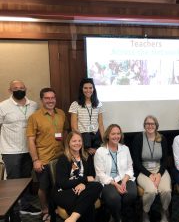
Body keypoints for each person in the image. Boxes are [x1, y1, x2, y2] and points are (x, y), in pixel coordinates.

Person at [27, 87, 69, 222]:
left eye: (53, 98)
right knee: (44, 187)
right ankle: (45, 210)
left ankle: (57, 208)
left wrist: (68, 151)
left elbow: (65, 132)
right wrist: (35, 160)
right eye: (47, 98)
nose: (50, 101)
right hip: (44, 159)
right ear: (42, 100)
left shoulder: (61, 113)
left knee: (60, 185)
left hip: (61, 156)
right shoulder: (34, 117)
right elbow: (31, 140)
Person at [0, 80, 40, 221]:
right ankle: (13, 211)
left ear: (26, 89)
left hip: (28, 150)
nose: (19, 90)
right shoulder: (3, 106)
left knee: (26, 179)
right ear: (10, 90)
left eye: (22, 88)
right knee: (12, 182)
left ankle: (26, 205)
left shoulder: (34, 105)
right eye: (16, 88)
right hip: (10, 150)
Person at [54, 131, 102, 222]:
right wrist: (83, 179)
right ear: (68, 143)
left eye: (79, 141)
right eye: (74, 141)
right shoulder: (63, 159)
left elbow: (92, 177)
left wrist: (83, 184)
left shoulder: (86, 157)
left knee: (98, 186)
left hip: (81, 189)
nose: (77, 143)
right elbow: (62, 183)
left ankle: (73, 218)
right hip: (64, 191)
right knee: (88, 204)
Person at [131, 115, 171, 222]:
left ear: (156, 126)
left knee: (166, 190)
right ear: (144, 125)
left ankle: (164, 210)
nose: (150, 126)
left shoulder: (162, 138)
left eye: (152, 124)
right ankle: (145, 212)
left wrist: (158, 174)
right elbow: (136, 162)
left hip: (160, 170)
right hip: (143, 170)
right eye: (147, 124)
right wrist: (150, 175)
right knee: (151, 191)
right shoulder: (138, 138)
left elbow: (165, 160)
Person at [94, 124, 137, 222]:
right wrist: (115, 185)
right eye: (113, 134)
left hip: (124, 178)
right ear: (107, 136)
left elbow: (130, 168)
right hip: (108, 181)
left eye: (118, 134)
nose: (116, 136)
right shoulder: (100, 151)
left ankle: (122, 213)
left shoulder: (125, 149)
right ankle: (117, 217)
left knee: (131, 194)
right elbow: (100, 174)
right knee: (114, 198)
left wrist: (124, 182)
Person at [69, 78, 105, 156]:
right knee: (86, 161)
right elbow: (74, 127)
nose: (88, 90)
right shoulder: (75, 104)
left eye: (90, 88)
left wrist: (104, 141)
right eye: (85, 88)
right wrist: (82, 143)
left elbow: (101, 124)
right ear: (81, 89)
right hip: (82, 137)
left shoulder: (99, 104)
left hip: (96, 137)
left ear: (93, 89)